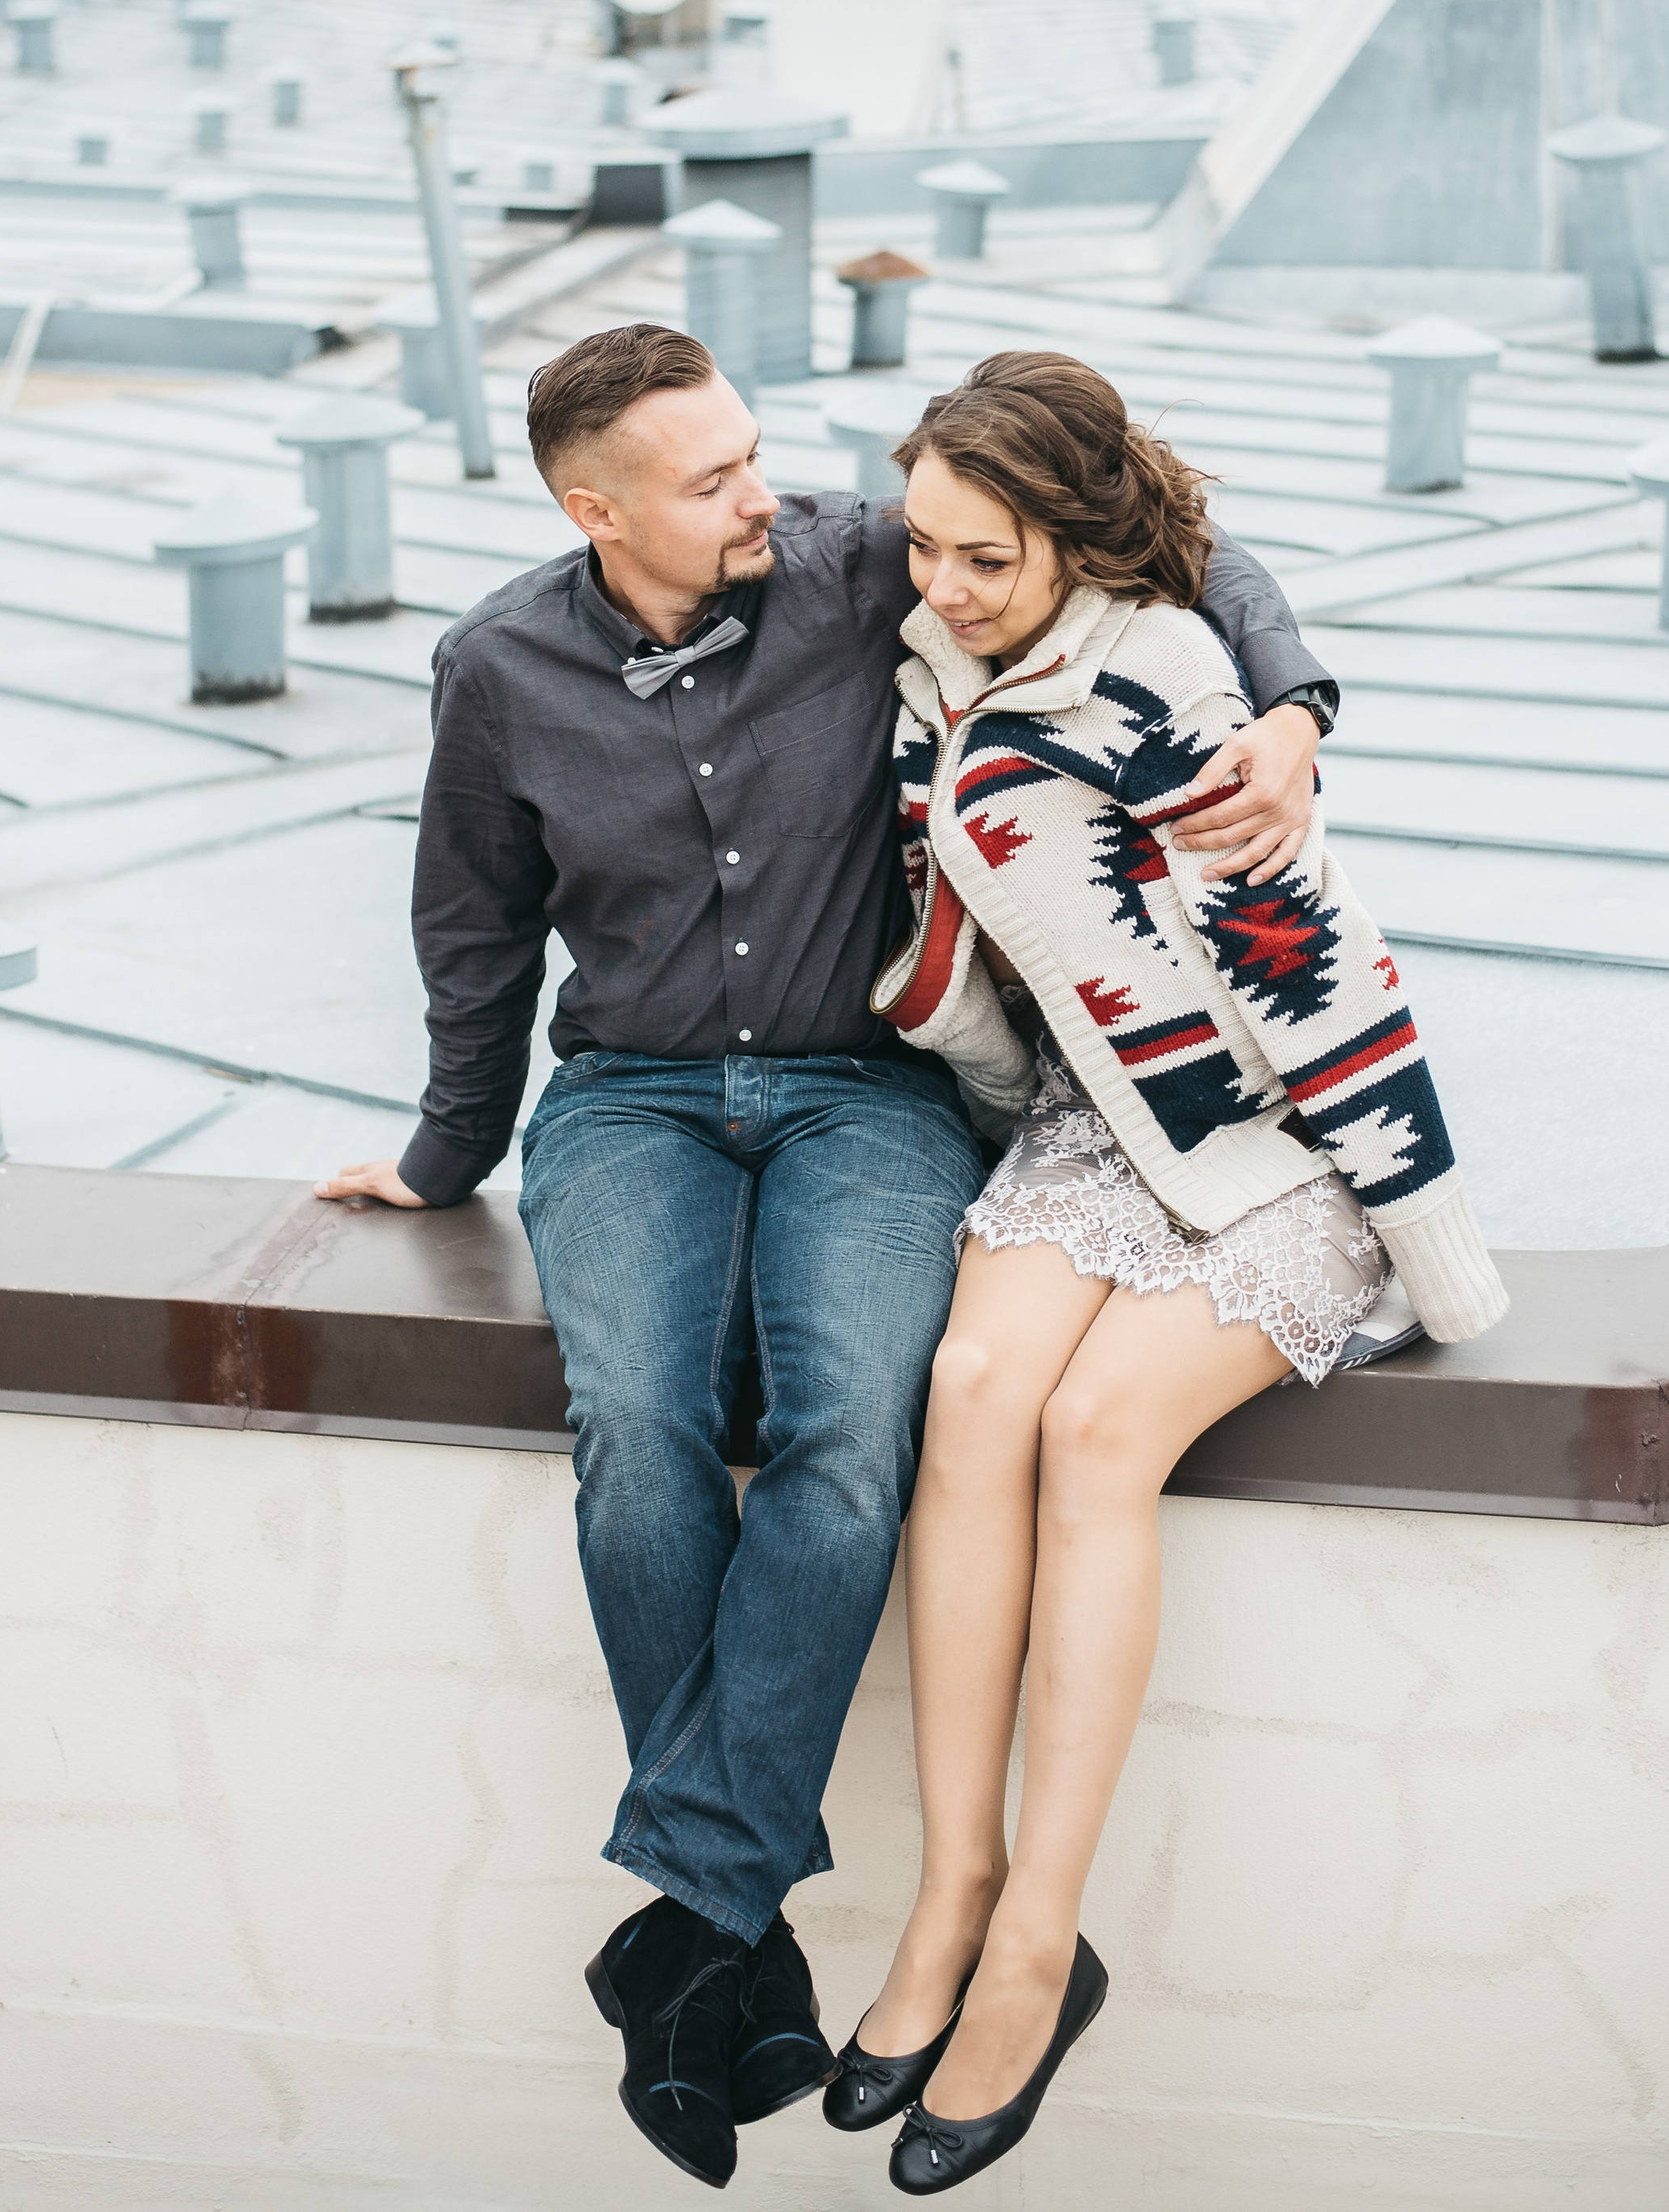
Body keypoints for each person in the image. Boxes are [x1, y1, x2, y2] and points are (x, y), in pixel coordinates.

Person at [318, 320, 1342, 2193]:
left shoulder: (867, 560)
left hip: (866, 1094)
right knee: (634, 1423)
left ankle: (694, 1928)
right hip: (625, 1098)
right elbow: (473, 942)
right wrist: (438, 1157)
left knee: (848, 1425)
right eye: (711, 476)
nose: (765, 495)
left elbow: (1179, 541)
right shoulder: (498, 668)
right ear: (592, 507)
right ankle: (734, 1917)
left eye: (754, 453)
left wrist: (1286, 709)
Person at [823, 350, 1507, 2195]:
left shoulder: (1169, 691)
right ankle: (947, 1883)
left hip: (1278, 1141)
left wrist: (1429, 1237)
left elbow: (1319, 972)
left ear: (1071, 540)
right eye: (926, 551)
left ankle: (1042, 1937)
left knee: (1095, 1432)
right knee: (970, 1399)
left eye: (984, 557)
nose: (942, 587)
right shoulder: (921, 670)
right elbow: (970, 937)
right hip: (1089, 1125)